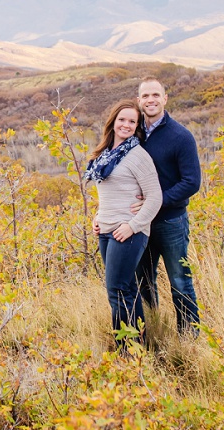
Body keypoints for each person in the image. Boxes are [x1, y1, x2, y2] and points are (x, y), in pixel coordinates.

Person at [86, 99, 162, 348]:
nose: (126, 125)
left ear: (137, 126)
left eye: (132, 121)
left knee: (116, 290)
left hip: (128, 232)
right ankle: (140, 347)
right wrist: (98, 216)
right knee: (126, 289)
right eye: (122, 119)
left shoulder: (137, 155)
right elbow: (110, 193)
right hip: (106, 229)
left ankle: (126, 350)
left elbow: (155, 197)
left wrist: (133, 225)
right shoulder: (105, 154)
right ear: (113, 122)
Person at [133, 76, 202, 335]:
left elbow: (192, 182)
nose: (151, 100)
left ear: (165, 99)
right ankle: (153, 333)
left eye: (155, 95)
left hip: (170, 222)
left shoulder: (181, 137)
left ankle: (189, 338)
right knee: (143, 282)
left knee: (180, 282)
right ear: (139, 101)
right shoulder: (133, 133)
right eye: (145, 96)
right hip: (140, 223)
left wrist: (155, 201)